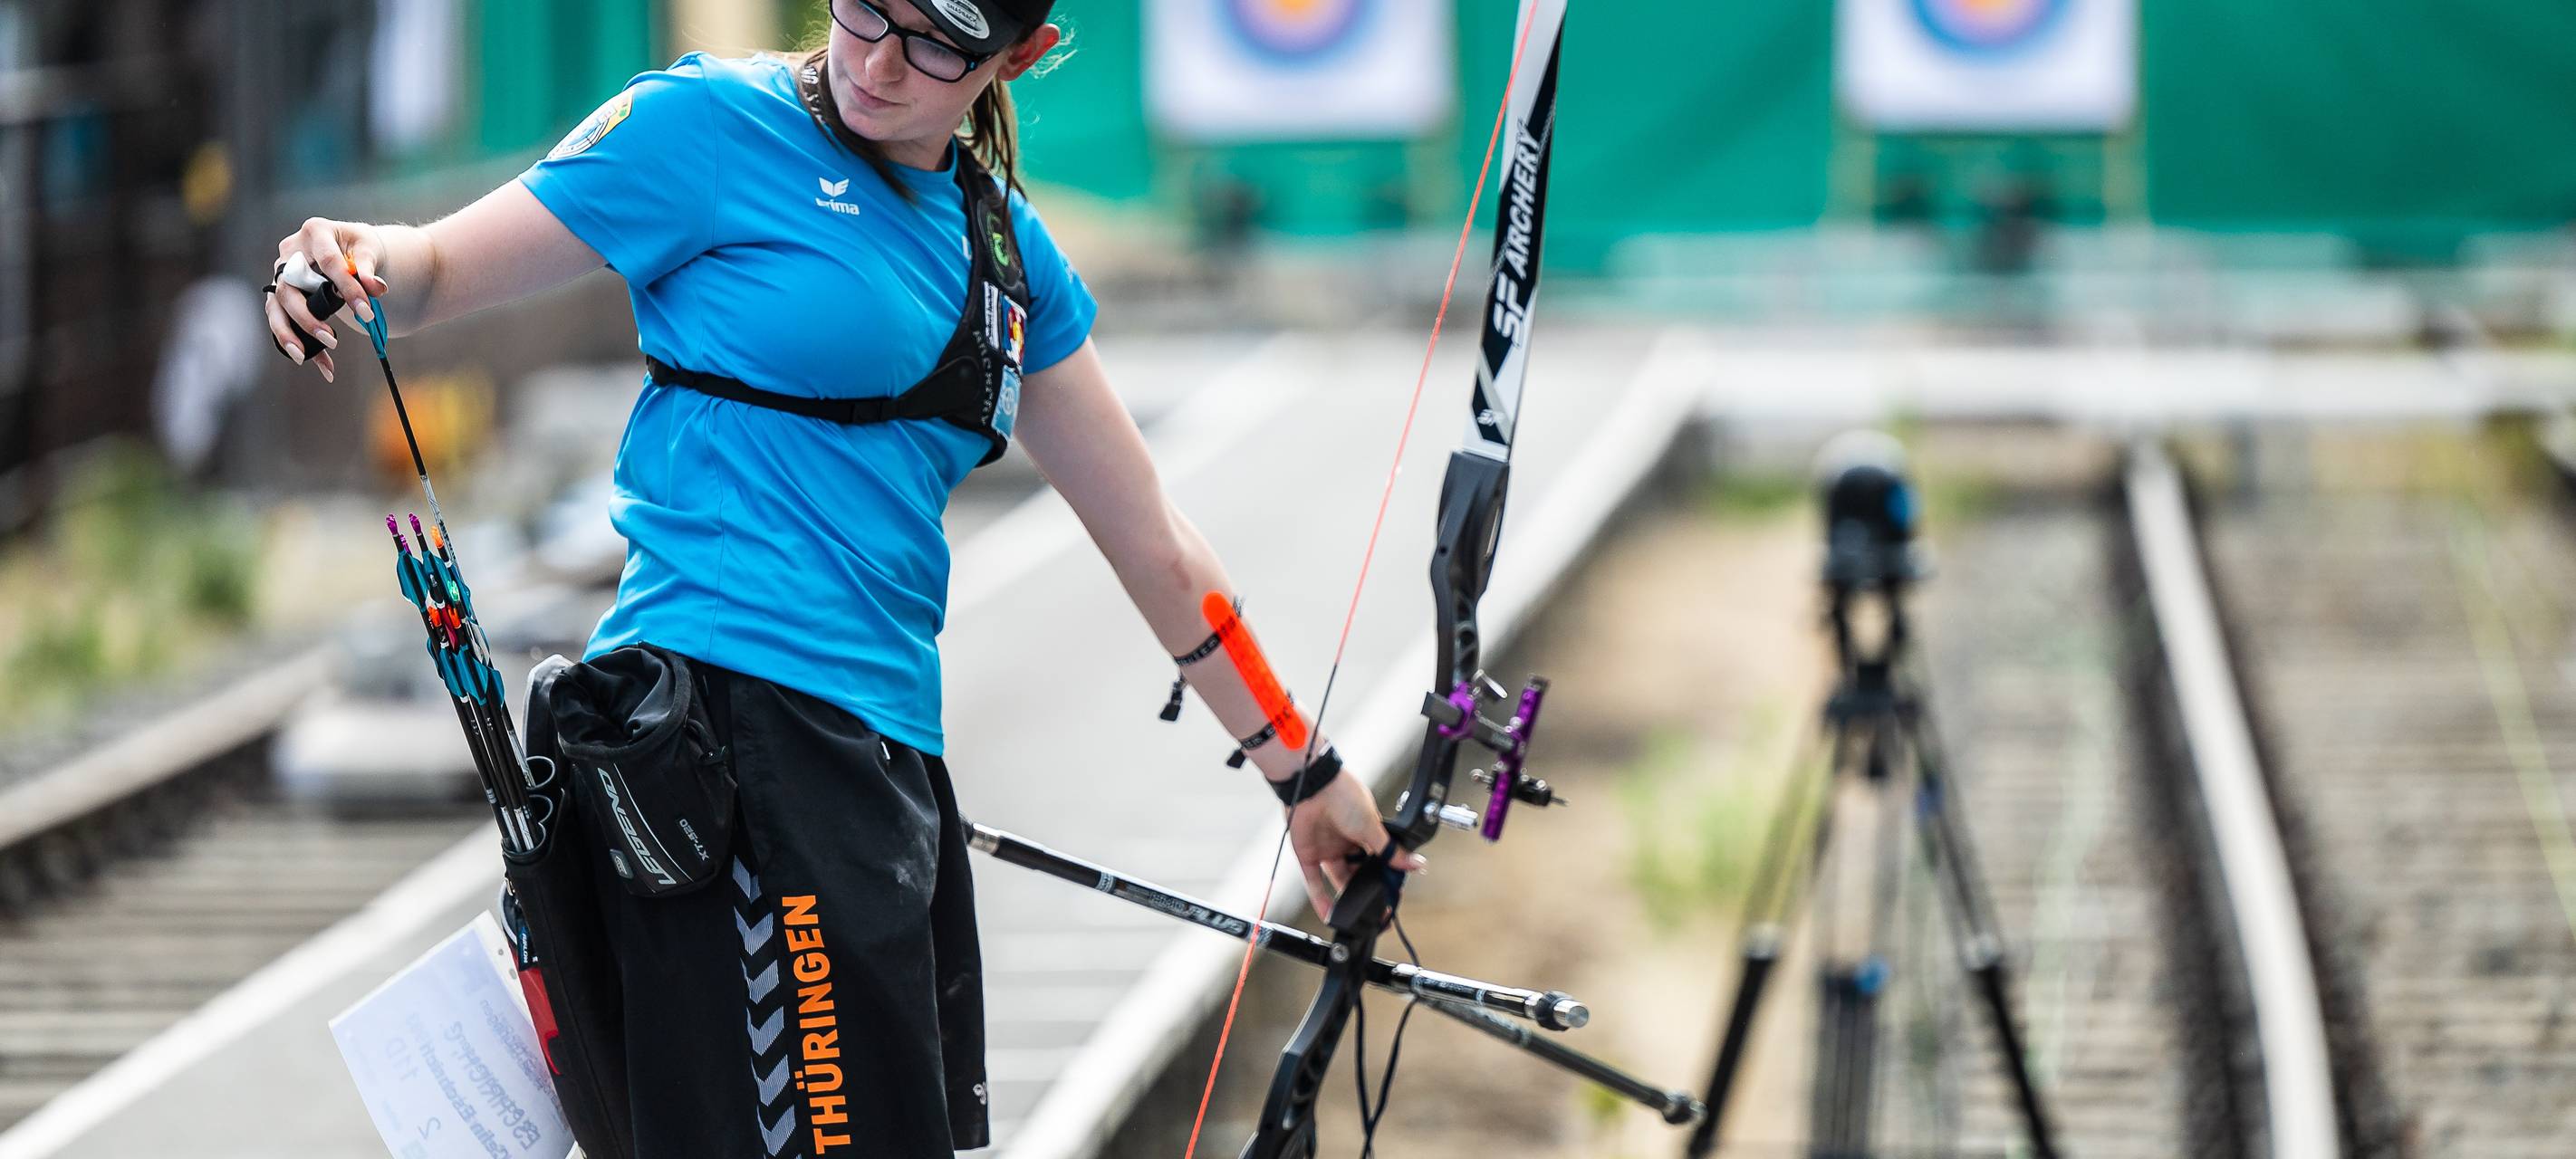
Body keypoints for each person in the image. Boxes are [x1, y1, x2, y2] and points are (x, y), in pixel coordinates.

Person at [260, 1, 1416, 1154]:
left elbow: (1155, 540)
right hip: (712, 748)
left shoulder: (1006, 253)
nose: (875, 60)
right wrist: (349, 259)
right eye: (868, 9)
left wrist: (1306, 770)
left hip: (877, 774)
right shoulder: (706, 125)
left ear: (1019, 57)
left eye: (935, 44)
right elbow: (431, 267)